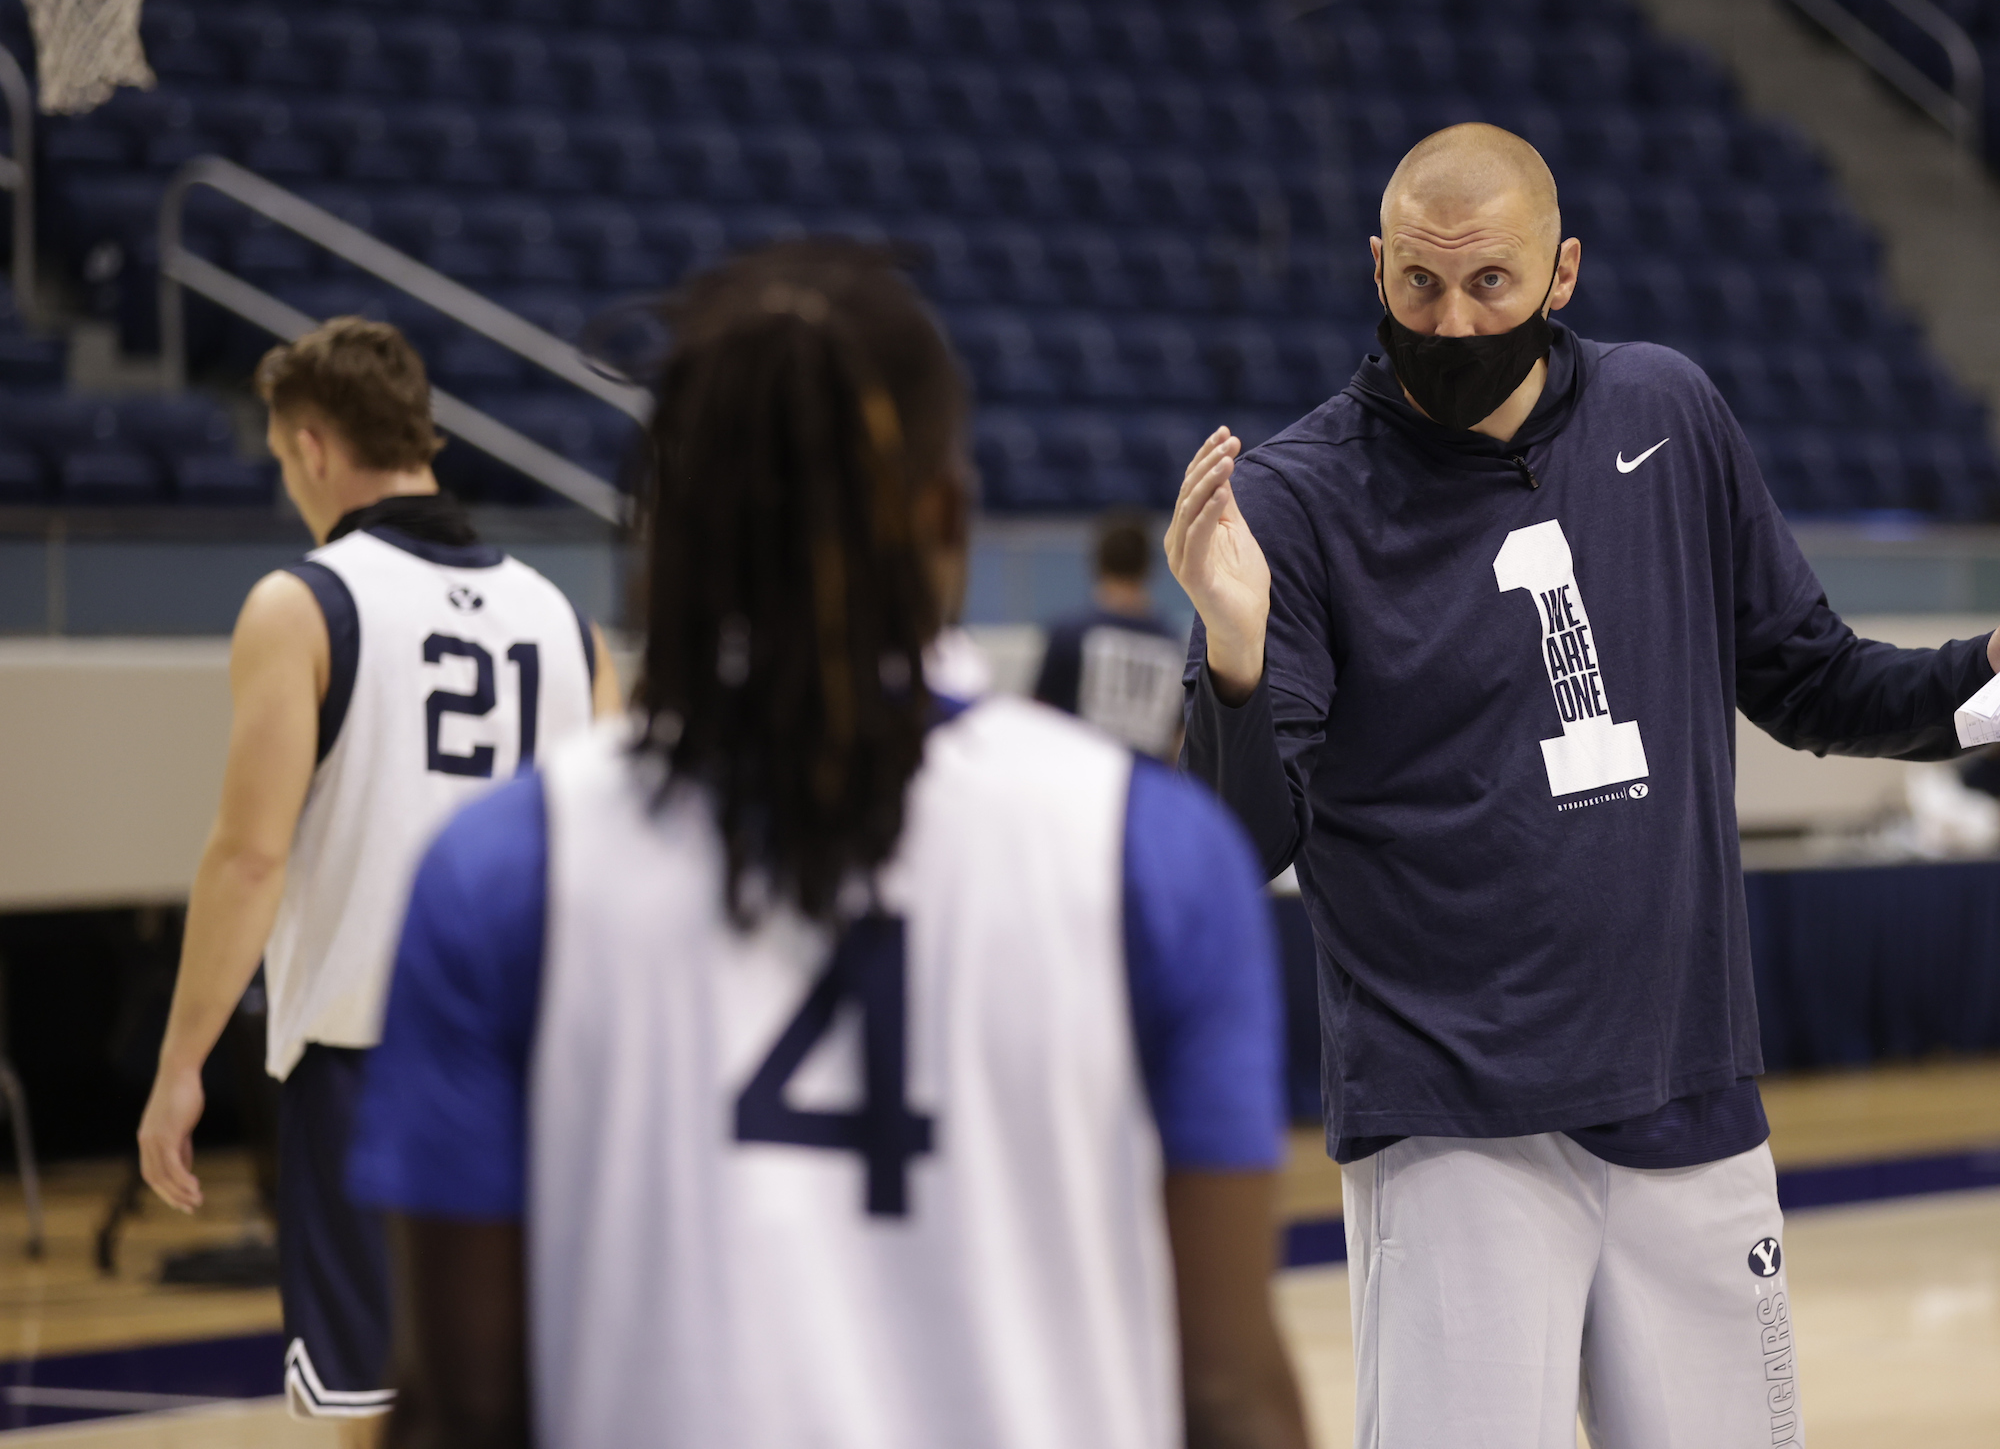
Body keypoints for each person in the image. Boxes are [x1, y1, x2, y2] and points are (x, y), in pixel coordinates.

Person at [1168, 124, 2000, 1448]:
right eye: (1418, 287)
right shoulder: (1296, 501)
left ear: (1562, 274)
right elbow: (1237, 840)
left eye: (1488, 283)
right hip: (1457, 1127)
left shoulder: (1667, 412)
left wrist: (1993, 676)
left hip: (1691, 1092)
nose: (1451, 321)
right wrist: (1232, 651)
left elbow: (1806, 676)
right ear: (1375, 267)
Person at [348, 242, 1310, 1449]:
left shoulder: (503, 871)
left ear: (665, 531)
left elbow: (459, 1410)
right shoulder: (1154, 860)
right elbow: (1226, 1399)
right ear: (950, 516)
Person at [133, 317, 619, 1440]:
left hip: (374, 1065)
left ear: (311, 447)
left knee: (379, 1409)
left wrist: (180, 1063)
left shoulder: (300, 603)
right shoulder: (565, 619)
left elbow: (250, 856)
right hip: (541, 1059)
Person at [1035, 506, 1188, 758]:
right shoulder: (1174, 646)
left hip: (1080, 783)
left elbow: (1038, 721)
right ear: (1148, 567)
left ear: (1097, 562)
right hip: (1147, 790)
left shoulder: (1070, 634)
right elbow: (1177, 740)